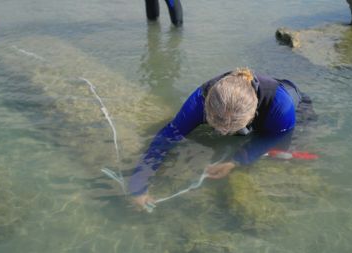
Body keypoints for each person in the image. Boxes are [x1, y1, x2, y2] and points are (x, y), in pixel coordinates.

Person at [130, 68, 309, 210]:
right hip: (240, 109)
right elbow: (167, 137)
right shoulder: (200, 100)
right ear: (206, 108)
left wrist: (236, 161)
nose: (222, 134)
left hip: (294, 105)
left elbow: (276, 139)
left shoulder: (282, 109)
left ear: (253, 116)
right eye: (216, 127)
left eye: (229, 130)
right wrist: (139, 184)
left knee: (282, 156)